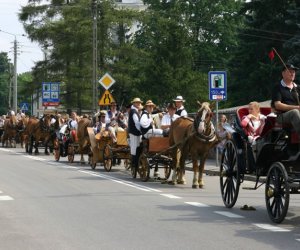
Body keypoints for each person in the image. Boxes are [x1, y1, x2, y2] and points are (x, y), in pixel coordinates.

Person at [271, 64, 300, 136]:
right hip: (282, 116)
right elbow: (278, 105)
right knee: (294, 112)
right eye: (290, 71)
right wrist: (297, 107)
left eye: (293, 72)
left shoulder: (298, 88)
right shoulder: (278, 87)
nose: (292, 73)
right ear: (283, 73)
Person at [128, 97, 143, 176]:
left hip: (136, 132)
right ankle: (134, 164)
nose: (138, 104)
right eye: (137, 103)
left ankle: (136, 163)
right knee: (134, 148)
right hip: (134, 132)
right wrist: (141, 131)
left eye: (139, 103)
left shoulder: (136, 111)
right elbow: (137, 123)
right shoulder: (133, 111)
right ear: (134, 103)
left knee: (137, 147)